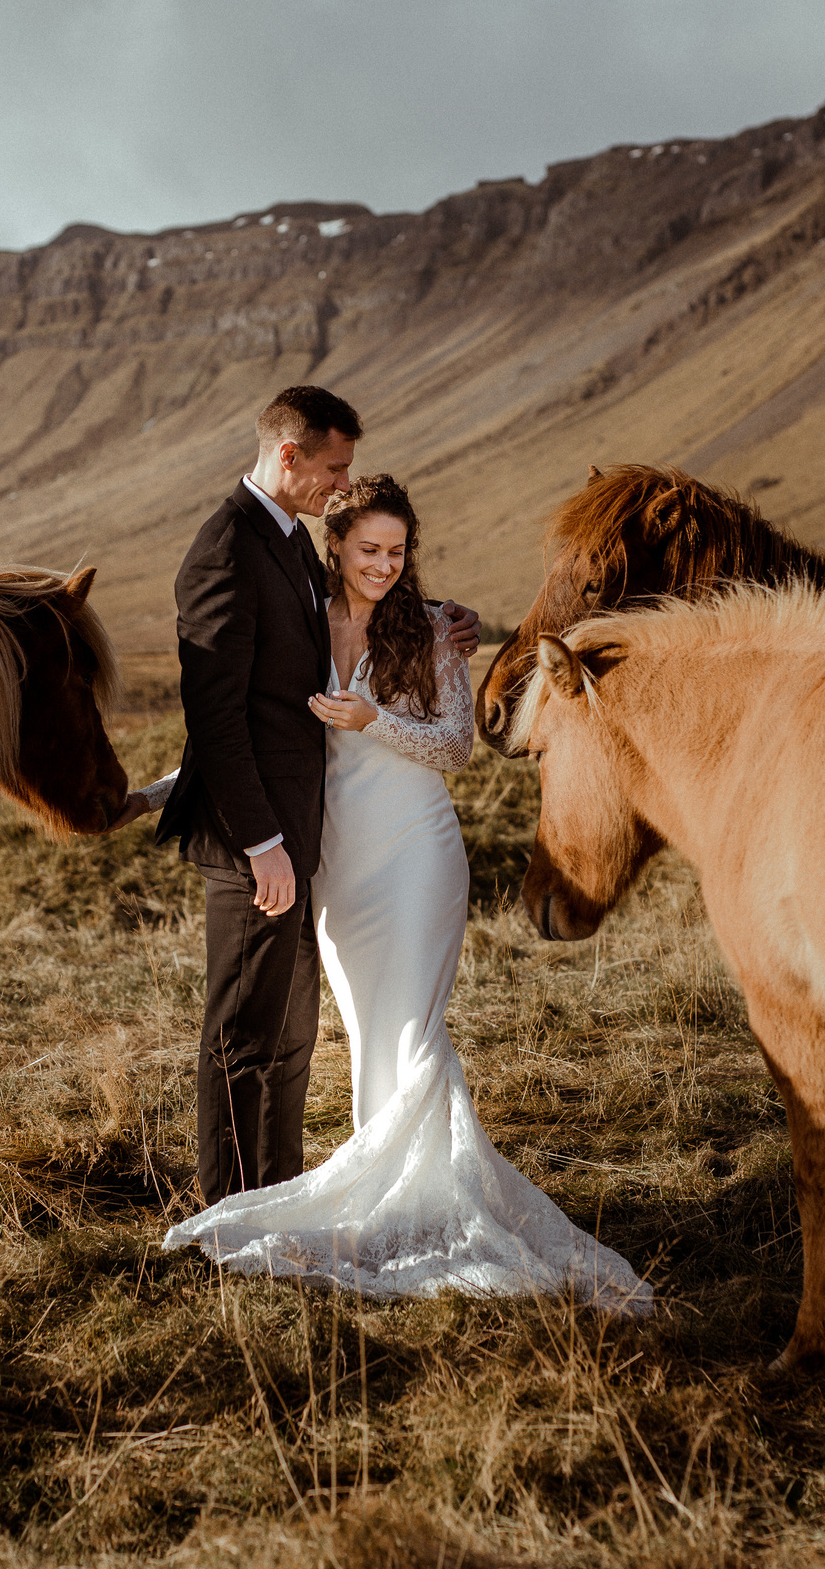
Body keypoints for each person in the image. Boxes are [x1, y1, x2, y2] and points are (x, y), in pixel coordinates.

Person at [148, 473, 652, 1314]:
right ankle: (389, 1206)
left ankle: (433, 1210)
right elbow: (252, 723)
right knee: (371, 1038)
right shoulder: (303, 623)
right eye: (369, 549)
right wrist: (164, 788)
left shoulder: (428, 630)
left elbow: (456, 744)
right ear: (334, 546)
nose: (385, 565)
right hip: (340, 865)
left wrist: (367, 719)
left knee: (414, 1036)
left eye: (399, 550)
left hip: (417, 856)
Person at [147, 388, 478, 1206]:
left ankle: (280, 1193)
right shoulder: (226, 550)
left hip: (324, 846)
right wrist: (261, 844)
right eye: (335, 468)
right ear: (290, 455)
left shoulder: (290, 540)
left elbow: (329, 635)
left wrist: (437, 619)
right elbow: (219, 718)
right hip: (263, 845)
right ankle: (233, 1207)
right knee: (245, 1035)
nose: (342, 482)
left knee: (291, 1037)